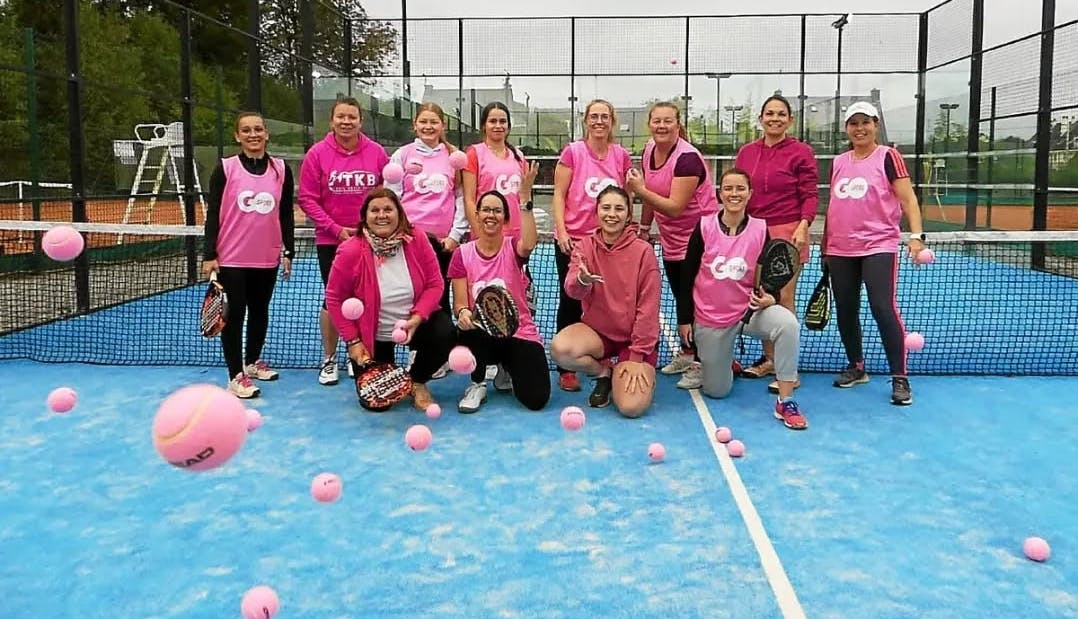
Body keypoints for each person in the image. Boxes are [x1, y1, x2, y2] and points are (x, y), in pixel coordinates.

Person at [678, 168, 808, 431]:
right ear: (720, 194)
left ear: (750, 194)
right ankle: (726, 363)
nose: (734, 194)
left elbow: (768, 273)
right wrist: (684, 319)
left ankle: (785, 401)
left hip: (749, 314)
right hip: (711, 318)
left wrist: (770, 297)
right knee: (717, 391)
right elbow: (687, 275)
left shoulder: (760, 229)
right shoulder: (703, 227)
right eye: (728, 188)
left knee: (787, 324)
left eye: (740, 188)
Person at [823, 101, 925, 406]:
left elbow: (908, 199)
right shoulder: (839, 162)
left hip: (878, 244)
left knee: (882, 307)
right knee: (845, 308)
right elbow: (833, 206)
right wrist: (826, 247)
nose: (860, 129)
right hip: (840, 248)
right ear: (846, 128)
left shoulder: (888, 156)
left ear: (876, 125)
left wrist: (916, 236)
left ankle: (900, 377)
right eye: (853, 123)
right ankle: (857, 366)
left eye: (865, 122)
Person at [324, 188, 454, 411]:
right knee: (378, 405)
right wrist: (353, 341)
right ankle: (389, 372)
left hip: (413, 324)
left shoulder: (417, 239)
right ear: (365, 216)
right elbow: (334, 298)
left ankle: (417, 381)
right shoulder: (349, 250)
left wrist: (417, 317)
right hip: (372, 335)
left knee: (446, 333)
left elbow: (435, 284)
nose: (382, 215)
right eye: (375, 210)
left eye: (388, 209)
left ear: (399, 213)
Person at [625, 101, 720, 390]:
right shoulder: (648, 151)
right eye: (657, 121)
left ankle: (703, 363)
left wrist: (639, 190)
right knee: (681, 296)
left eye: (668, 121)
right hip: (672, 239)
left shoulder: (687, 159)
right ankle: (688, 352)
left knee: (697, 302)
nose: (662, 126)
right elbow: (650, 197)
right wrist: (644, 228)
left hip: (700, 239)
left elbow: (676, 207)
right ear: (649, 124)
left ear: (678, 125)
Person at [202, 111, 295, 399]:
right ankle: (235, 375)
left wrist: (288, 250)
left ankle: (252, 362)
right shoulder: (225, 168)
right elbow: (213, 213)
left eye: (258, 129)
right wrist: (209, 254)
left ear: (266, 133)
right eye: (246, 130)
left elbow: (285, 213)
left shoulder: (281, 170)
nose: (253, 134)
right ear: (237, 136)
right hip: (231, 257)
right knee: (234, 315)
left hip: (267, 255)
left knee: (260, 310)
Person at [299, 96, 389, 386]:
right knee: (333, 299)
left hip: (371, 240)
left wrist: (373, 230)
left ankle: (358, 353)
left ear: (360, 121)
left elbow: (387, 194)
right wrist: (336, 229)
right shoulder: (316, 154)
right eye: (341, 116)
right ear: (332, 121)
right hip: (331, 241)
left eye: (352, 117)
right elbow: (307, 199)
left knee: (367, 297)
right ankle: (329, 359)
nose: (346, 122)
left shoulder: (376, 153)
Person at [550, 186, 659, 417]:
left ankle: (630, 370)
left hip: (634, 341)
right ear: (597, 212)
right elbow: (572, 290)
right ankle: (603, 372)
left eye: (619, 209)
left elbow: (649, 308)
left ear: (628, 215)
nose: (612, 214)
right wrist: (582, 280)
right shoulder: (585, 246)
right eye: (606, 208)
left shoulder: (644, 251)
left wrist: (637, 356)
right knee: (561, 349)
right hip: (599, 334)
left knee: (630, 407)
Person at [734, 95, 818, 393]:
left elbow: (810, 194)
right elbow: (739, 191)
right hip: (754, 231)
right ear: (761, 118)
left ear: (789, 120)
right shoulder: (746, 153)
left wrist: (804, 224)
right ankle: (770, 360)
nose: (775, 119)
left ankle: (788, 371)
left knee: (783, 298)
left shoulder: (801, 152)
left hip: (788, 232)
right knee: (759, 296)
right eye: (769, 113)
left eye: (781, 114)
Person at [550, 99, 633, 393]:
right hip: (574, 241)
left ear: (612, 121)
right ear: (586, 121)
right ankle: (566, 370)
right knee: (571, 300)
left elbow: (625, 197)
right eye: (594, 116)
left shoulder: (621, 156)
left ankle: (606, 351)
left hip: (608, 243)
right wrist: (562, 231)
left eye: (604, 116)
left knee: (607, 299)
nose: (599, 121)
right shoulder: (573, 152)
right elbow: (559, 194)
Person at [449, 187, 549, 414]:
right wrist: (463, 312)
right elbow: (460, 304)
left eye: (497, 211)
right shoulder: (461, 254)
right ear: (477, 215)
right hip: (481, 333)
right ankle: (478, 384)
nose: (491, 215)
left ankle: (506, 369)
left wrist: (525, 199)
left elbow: (529, 244)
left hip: (518, 332)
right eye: (486, 210)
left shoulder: (513, 247)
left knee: (536, 399)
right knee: (467, 329)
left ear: (505, 218)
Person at [460, 102, 532, 392]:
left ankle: (506, 363)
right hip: (485, 239)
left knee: (513, 301)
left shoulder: (518, 156)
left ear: (509, 126)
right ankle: (483, 364)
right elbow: (469, 198)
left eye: (503, 121)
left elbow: (522, 197)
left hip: (513, 241)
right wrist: (481, 235)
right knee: (482, 300)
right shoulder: (474, 154)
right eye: (493, 121)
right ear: (484, 126)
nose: (498, 126)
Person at [385, 102, 469, 308]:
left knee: (439, 300)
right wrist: (398, 233)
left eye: (434, 122)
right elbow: (391, 198)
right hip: (407, 242)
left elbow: (461, 199)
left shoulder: (454, 156)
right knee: (408, 299)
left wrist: (454, 236)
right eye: (423, 122)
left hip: (443, 244)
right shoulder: (401, 155)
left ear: (443, 125)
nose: (428, 127)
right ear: (415, 124)